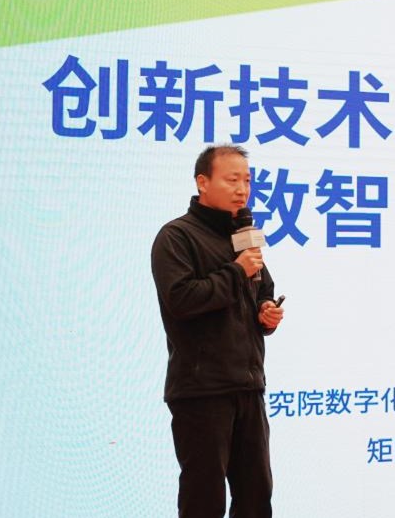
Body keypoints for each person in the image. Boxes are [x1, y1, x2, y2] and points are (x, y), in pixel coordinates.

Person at [151, 144, 285, 518]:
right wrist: (236, 270)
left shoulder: (243, 235)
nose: (242, 190)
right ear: (203, 182)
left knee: (256, 496)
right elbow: (182, 299)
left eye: (247, 181)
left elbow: (261, 288)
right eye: (232, 180)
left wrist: (266, 311)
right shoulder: (176, 237)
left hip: (248, 386)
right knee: (204, 500)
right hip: (202, 391)